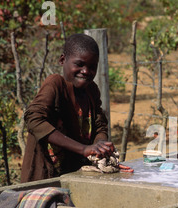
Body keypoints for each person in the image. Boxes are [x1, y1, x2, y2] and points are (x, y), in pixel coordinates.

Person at [21, 33, 131, 183]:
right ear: (62, 60)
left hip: (75, 175)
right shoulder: (55, 85)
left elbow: (100, 126)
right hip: (46, 177)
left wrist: (99, 146)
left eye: (92, 67)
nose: (85, 71)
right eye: (79, 64)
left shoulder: (91, 90)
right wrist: (84, 149)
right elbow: (34, 119)